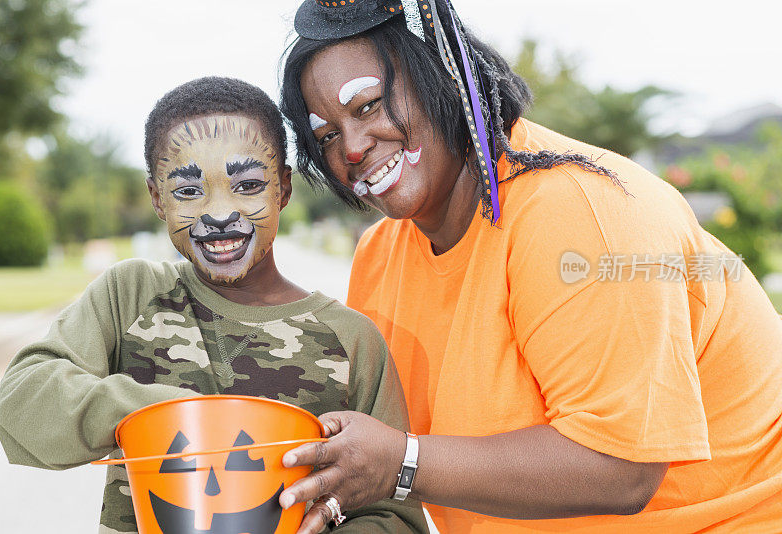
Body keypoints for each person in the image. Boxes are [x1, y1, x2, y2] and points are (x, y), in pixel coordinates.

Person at [277, 1, 782, 532]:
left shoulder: (579, 214)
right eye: (327, 136)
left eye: (369, 106)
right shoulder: (378, 256)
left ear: (444, 77)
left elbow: (623, 469)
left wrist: (400, 465)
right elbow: (380, 450)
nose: (353, 147)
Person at [0, 77, 428, 533]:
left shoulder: (351, 341)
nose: (219, 213)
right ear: (157, 198)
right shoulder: (131, 295)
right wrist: (164, 416)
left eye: (247, 185)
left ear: (283, 188)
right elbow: (23, 402)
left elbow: (395, 517)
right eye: (187, 191)